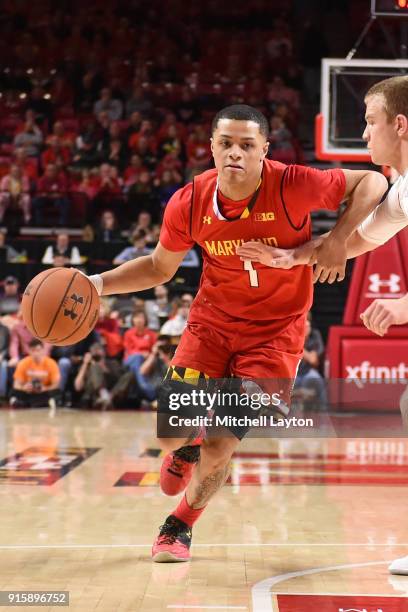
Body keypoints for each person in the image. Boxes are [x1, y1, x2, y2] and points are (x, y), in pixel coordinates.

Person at [84, 104, 387, 563]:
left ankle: (179, 525)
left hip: (275, 334)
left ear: (265, 150)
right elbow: (157, 268)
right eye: (226, 144)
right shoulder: (189, 201)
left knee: (225, 442)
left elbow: (374, 181)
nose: (235, 154)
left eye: (247, 145)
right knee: (169, 437)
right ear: (211, 148)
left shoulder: (292, 183)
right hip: (210, 326)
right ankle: (185, 447)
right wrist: (98, 283)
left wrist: (337, 241)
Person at [234, 79, 408, 574]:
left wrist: (401, 305)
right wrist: (288, 257)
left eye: (371, 121)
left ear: (400, 125)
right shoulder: (402, 192)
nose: (364, 132)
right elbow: (357, 241)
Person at [10, 339, 60, 409]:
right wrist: (24, 388)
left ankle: (27, 403)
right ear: (29, 351)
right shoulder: (23, 363)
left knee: (56, 392)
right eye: (33, 350)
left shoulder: (51, 363)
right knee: (14, 392)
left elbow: (56, 385)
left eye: (38, 350)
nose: (36, 353)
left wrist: (45, 388)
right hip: (28, 392)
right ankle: (43, 403)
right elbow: (16, 385)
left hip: (43, 392)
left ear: (43, 350)